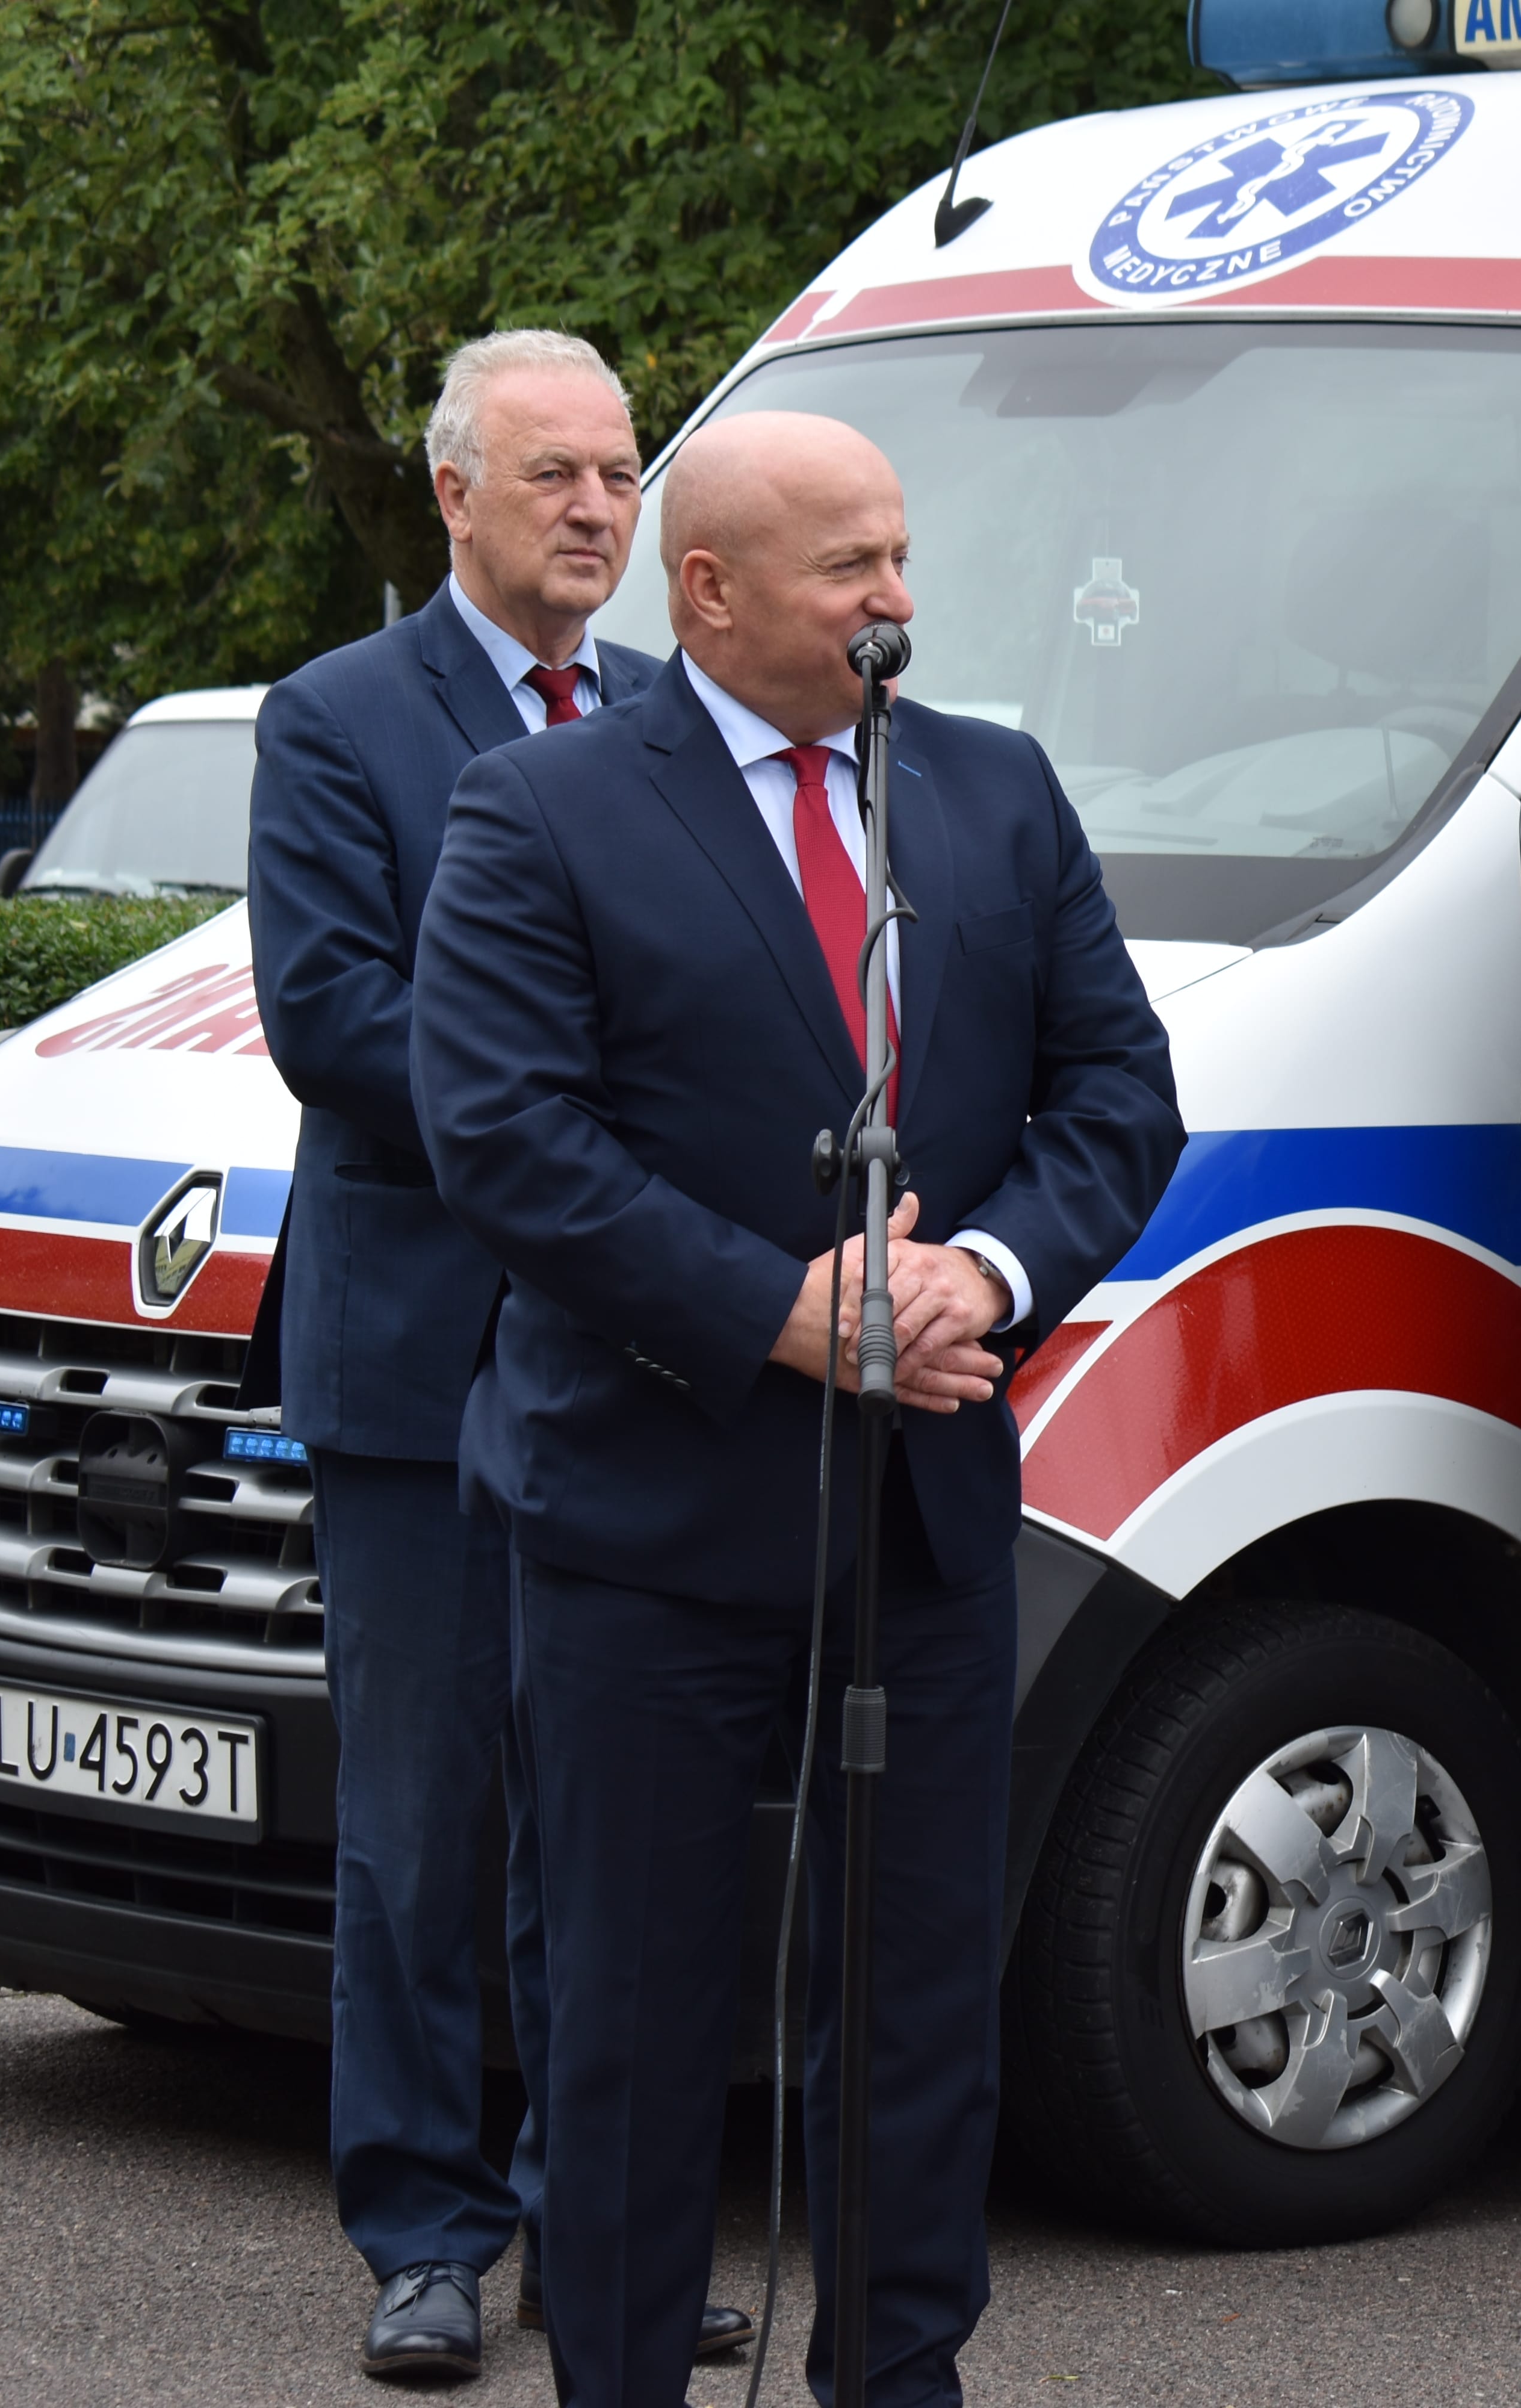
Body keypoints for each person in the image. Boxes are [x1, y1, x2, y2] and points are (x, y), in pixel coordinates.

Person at [409, 411, 1184, 2407]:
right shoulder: (543, 807)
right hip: (644, 1527)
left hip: (920, 1521)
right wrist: (783, 1314)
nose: (895, 601)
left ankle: (898, 2379)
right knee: (635, 2022)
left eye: (900, 556)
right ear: (711, 593)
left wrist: (980, 1273)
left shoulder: (994, 791)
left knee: (918, 2015)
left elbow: (1120, 1095)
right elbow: (504, 1138)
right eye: (850, 568)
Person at [247, 328, 747, 2382]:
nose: (598, 511)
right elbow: (330, 1019)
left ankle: (597, 2229)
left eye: (622, 475)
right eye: (556, 475)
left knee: (605, 1825)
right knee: (424, 1827)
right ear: (453, 492)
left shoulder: (673, 720)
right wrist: (576, 1120)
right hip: (418, 1361)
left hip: (627, 1358)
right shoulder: (338, 719)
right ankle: (427, 2231)